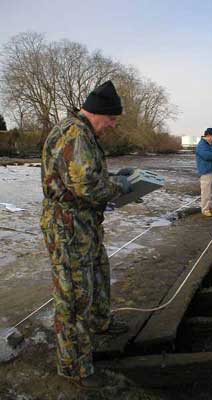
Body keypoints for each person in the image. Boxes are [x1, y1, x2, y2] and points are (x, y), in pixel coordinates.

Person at [40, 81, 131, 390]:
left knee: (96, 273)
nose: (114, 124)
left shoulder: (81, 132)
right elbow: (86, 186)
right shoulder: (77, 134)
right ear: (98, 113)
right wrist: (120, 187)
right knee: (75, 294)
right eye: (112, 118)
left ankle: (101, 323)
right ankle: (74, 367)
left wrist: (115, 177)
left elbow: (85, 175)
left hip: (82, 224)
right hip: (68, 228)